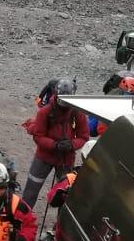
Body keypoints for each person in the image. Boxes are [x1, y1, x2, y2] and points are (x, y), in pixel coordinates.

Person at [23, 79, 90, 207]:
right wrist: (55, 145)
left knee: (66, 194)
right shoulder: (45, 112)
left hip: (66, 158)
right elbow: (38, 136)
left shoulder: (77, 113)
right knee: (30, 191)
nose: (64, 104)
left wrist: (71, 144)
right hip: (44, 157)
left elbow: (83, 136)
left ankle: (60, 225)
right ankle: (21, 221)